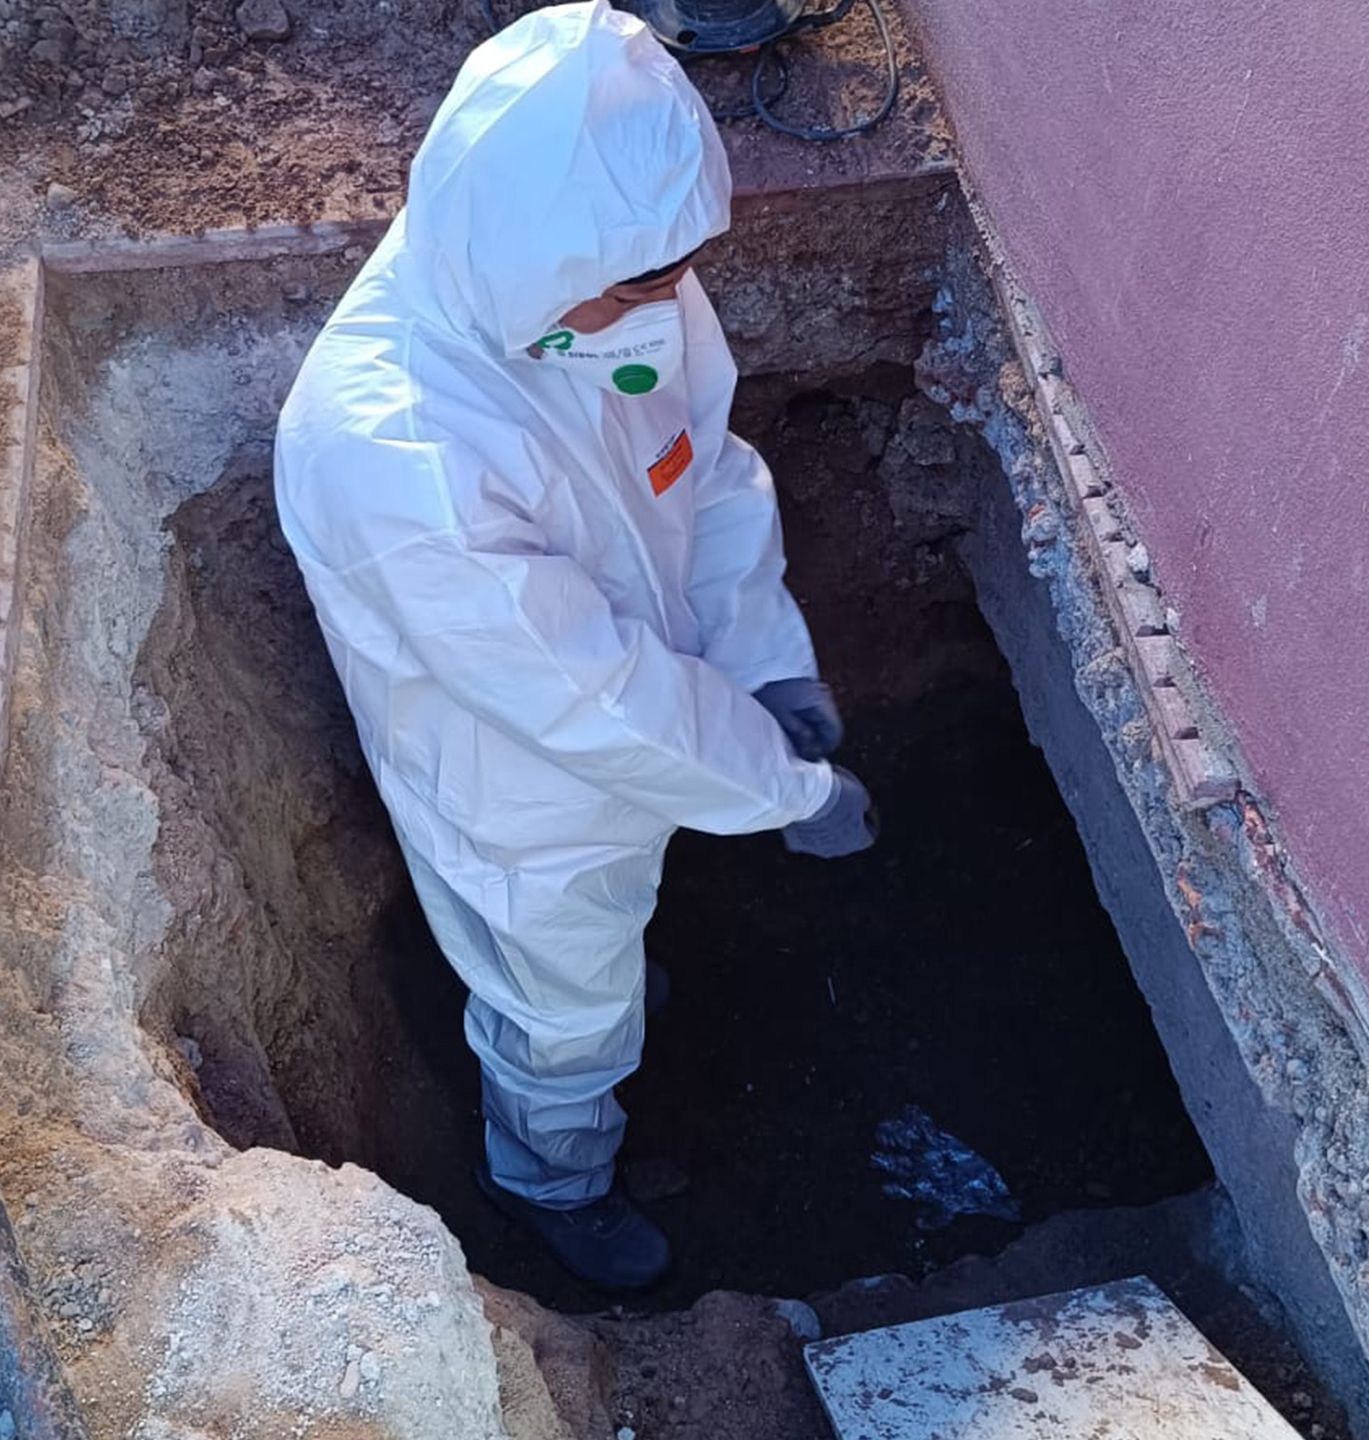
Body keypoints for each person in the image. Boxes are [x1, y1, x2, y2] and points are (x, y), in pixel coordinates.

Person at [274, 0, 875, 1291]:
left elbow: (705, 469)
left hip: (653, 712)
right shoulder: (399, 457)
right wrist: (790, 789)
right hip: (522, 790)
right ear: (542, 259)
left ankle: (628, 975)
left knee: (618, 927)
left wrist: (764, 656)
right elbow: (591, 700)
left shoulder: (605, 277)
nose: (675, 301)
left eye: (676, 271)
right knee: (563, 1006)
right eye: (646, 283)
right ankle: (553, 1183)